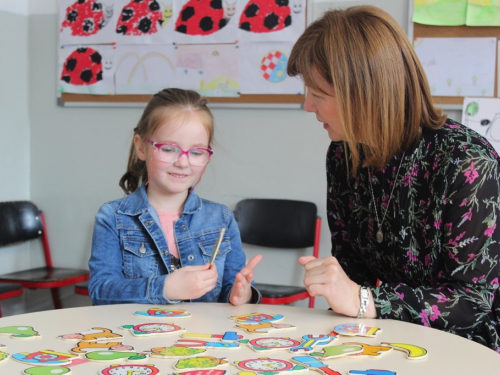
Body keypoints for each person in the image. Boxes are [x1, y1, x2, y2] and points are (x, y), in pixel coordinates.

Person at [289, 5, 500, 351]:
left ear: (365, 93)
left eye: (319, 93)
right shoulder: (343, 155)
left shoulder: (467, 161)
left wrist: (365, 301)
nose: (308, 105)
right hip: (389, 338)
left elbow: (472, 302)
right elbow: (351, 271)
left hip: (470, 348)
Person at [89, 88, 262, 306]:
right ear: (141, 147)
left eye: (196, 152)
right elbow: (101, 291)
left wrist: (242, 294)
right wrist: (166, 288)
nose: (182, 162)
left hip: (202, 338)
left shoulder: (221, 219)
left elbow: (231, 288)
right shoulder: (113, 217)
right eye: (169, 149)